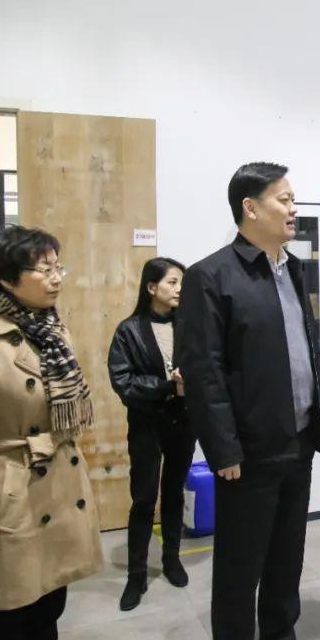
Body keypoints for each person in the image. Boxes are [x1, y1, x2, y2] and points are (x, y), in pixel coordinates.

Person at [177, 162, 320, 640]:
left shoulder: (293, 269)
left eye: (293, 200)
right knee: (240, 569)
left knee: (287, 558)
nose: (294, 209)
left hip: (299, 440)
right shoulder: (211, 276)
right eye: (284, 199)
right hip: (248, 453)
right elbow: (203, 372)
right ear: (250, 207)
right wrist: (223, 449)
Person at [0, 225, 104, 640]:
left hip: (58, 489)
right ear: (8, 280)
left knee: (47, 617)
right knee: (6, 626)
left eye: (58, 267)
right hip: (8, 500)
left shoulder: (54, 332)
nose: (56, 278)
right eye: (43, 270)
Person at [107, 257, 195, 611]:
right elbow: (123, 382)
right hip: (147, 424)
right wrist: (167, 386)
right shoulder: (129, 330)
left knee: (173, 492)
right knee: (143, 499)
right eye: (172, 282)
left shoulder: (189, 324)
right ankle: (137, 575)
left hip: (183, 421)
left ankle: (172, 559)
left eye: (181, 283)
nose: (179, 289)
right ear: (151, 287)